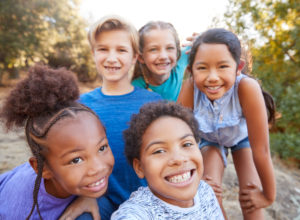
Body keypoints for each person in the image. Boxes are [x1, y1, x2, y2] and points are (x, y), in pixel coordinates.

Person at [60, 15, 162, 220]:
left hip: (146, 199)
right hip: (99, 197)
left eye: (121, 50)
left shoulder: (154, 103)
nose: (111, 58)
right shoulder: (79, 106)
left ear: (135, 57)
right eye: (103, 49)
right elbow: (73, 159)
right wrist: (87, 195)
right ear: (93, 53)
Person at [177, 28, 276, 219]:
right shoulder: (189, 89)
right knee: (208, 189)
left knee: (251, 192)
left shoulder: (247, 88)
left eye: (222, 66)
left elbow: (261, 150)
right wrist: (194, 178)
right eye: (202, 67)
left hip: (242, 138)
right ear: (191, 70)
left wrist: (268, 196)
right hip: (209, 139)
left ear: (238, 67)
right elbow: (179, 140)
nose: (212, 77)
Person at [0, 65, 115, 220]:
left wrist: (90, 196)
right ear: (43, 168)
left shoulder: (78, 177)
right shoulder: (22, 211)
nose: (98, 167)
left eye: (102, 148)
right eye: (76, 160)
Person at [111, 101, 224, 219]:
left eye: (186, 144)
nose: (179, 159)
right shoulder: (136, 214)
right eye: (159, 151)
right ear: (139, 167)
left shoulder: (205, 191)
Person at [131, 21, 191, 101]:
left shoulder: (180, 62)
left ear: (177, 52)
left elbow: (209, 41)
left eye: (170, 48)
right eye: (153, 49)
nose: (163, 56)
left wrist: (201, 40)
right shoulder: (135, 88)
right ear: (141, 57)